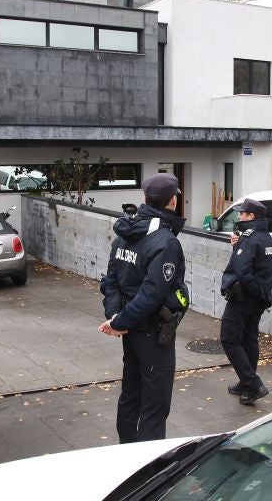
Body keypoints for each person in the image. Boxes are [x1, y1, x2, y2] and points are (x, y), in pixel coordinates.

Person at [99, 172, 187, 443]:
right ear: (172, 201)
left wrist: (116, 317)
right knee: (155, 406)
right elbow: (151, 294)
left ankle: (125, 449)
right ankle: (148, 468)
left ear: (145, 199)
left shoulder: (126, 233)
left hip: (132, 331)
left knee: (131, 394)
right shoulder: (165, 241)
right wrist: (118, 321)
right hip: (153, 332)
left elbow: (110, 280)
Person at [220, 198, 272, 405]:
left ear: (251, 216)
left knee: (229, 339)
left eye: (242, 213)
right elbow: (253, 265)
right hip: (257, 300)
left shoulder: (250, 238)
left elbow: (242, 272)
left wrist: (254, 293)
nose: (239, 216)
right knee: (248, 339)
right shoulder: (265, 237)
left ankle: (253, 384)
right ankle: (246, 383)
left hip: (244, 299)